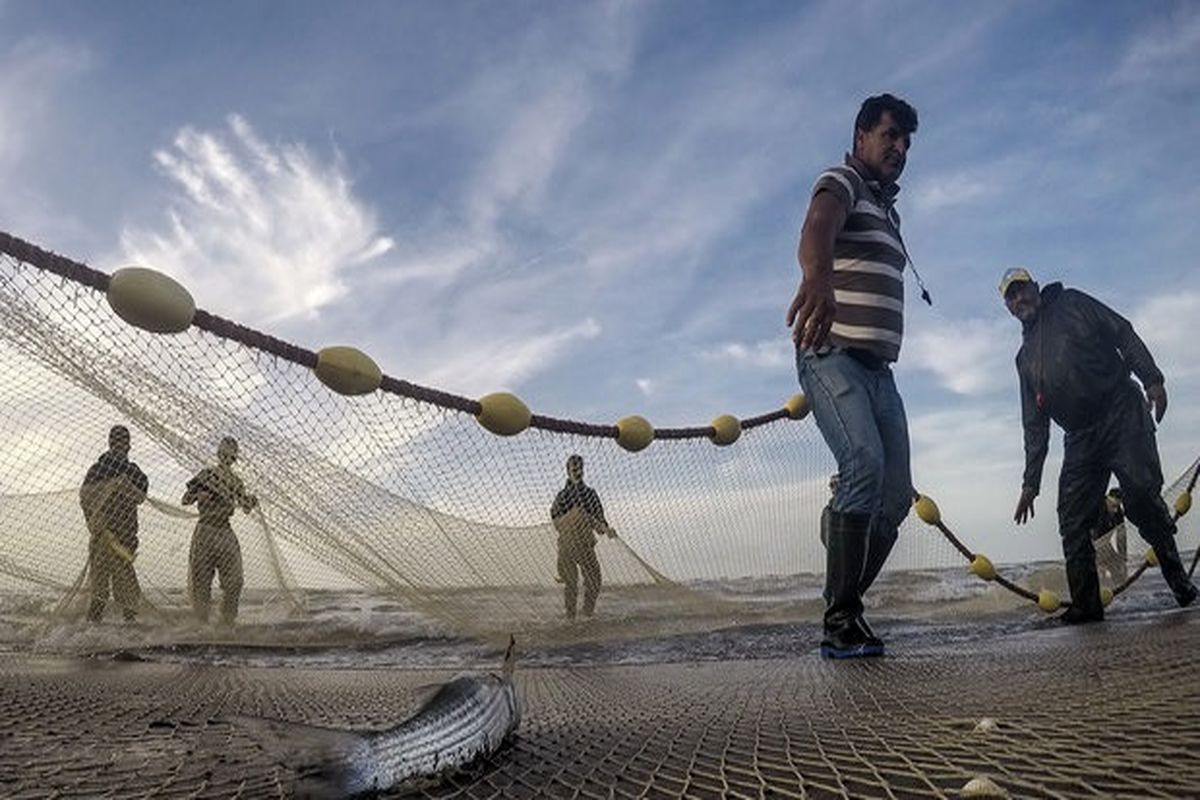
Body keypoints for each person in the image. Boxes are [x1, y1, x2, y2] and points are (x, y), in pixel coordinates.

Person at [785, 93, 919, 658]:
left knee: (895, 496)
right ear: (861, 135)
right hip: (832, 354)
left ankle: (846, 600)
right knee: (863, 463)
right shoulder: (842, 180)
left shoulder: (888, 211)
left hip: (879, 373)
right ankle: (839, 621)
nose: (900, 148)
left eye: (907, 141)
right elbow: (818, 226)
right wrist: (817, 278)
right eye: (890, 135)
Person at [1002, 267, 1197, 623]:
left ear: (1035, 287)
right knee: (1072, 519)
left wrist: (1152, 379)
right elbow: (1034, 424)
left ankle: (1180, 582)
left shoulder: (1072, 302)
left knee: (1139, 495)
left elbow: (1121, 331)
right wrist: (1031, 483)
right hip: (1079, 437)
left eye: (1022, 290)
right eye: (1010, 297)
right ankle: (1087, 606)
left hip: (1121, 410)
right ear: (1008, 306)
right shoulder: (1024, 358)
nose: (1018, 300)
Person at [183, 436, 258, 626]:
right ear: (219, 455)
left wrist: (251, 501)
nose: (227, 458)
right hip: (205, 530)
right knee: (201, 583)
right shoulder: (206, 475)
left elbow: (245, 507)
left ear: (233, 459)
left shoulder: (236, 481)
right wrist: (199, 495)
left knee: (235, 581)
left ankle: (227, 624)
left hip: (224, 531)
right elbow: (185, 499)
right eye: (224, 454)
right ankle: (202, 627)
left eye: (231, 456)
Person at [79, 425, 149, 623]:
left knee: (127, 595)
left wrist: (125, 483)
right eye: (116, 441)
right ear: (110, 443)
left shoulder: (134, 472)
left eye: (122, 442)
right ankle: (91, 634)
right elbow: (86, 499)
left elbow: (142, 495)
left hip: (124, 540)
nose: (119, 446)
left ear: (129, 445)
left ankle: (127, 636)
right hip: (103, 538)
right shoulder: (98, 469)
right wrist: (96, 525)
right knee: (99, 592)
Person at [549, 454, 616, 621]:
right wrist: (573, 517)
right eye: (574, 469)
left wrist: (607, 529)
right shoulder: (562, 496)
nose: (577, 472)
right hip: (566, 546)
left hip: (586, 546)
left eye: (580, 468)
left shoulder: (590, 494)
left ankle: (587, 615)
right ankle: (570, 619)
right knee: (571, 584)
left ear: (583, 470)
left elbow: (600, 521)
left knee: (595, 582)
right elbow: (555, 522)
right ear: (568, 471)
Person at [1091, 488, 1128, 584]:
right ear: (1107, 500)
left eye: (1118, 506)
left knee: (1120, 571)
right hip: (1089, 544)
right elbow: (1092, 534)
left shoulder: (1118, 512)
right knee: (1096, 572)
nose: (1115, 510)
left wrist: (1123, 559)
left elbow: (1121, 536)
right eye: (1113, 506)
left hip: (1105, 543)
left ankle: (1121, 592)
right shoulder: (1097, 508)